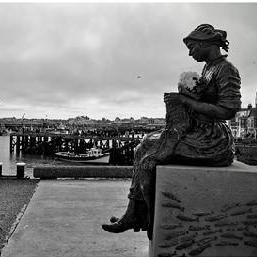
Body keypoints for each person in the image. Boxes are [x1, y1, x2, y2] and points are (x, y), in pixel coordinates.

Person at [101, 24, 242, 239]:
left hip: (213, 139)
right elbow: (204, 99)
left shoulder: (226, 69)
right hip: (199, 130)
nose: (190, 52)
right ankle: (133, 213)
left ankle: (147, 217)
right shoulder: (208, 68)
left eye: (193, 47)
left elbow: (228, 110)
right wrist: (188, 94)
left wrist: (187, 101)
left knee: (149, 155)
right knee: (144, 143)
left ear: (205, 44)